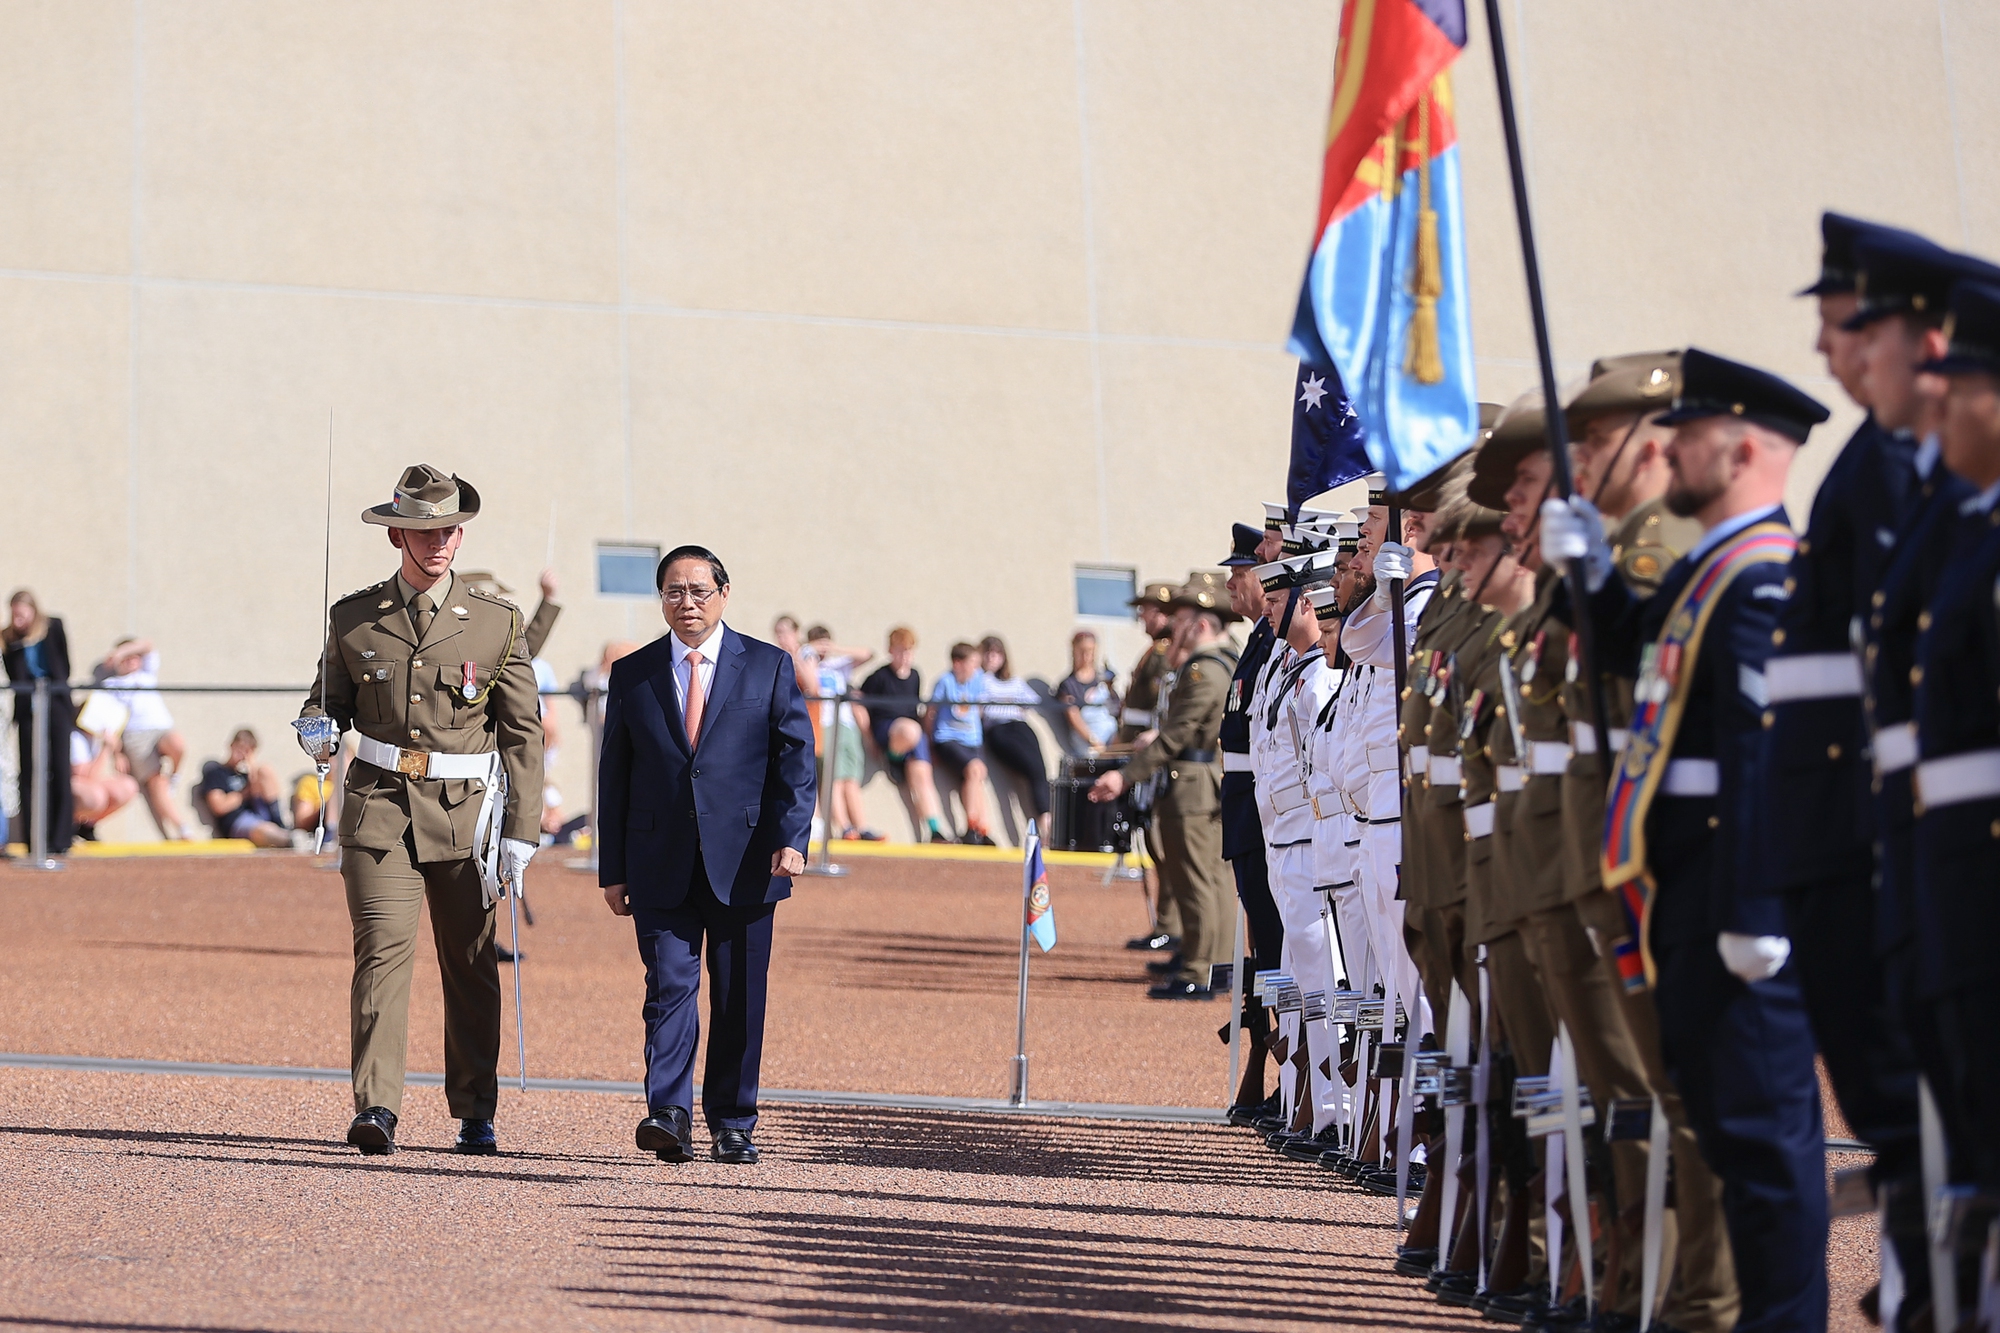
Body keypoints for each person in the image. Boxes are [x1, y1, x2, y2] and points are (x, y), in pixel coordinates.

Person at [1545, 348, 1833, 1333]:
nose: (1671, 447)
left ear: (1746, 448)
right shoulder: (1708, 568)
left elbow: (1761, 755)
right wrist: (1586, 571)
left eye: (1696, 434)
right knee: (1723, 1124)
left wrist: (1755, 909)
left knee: (1761, 1143)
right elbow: (1634, 646)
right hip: (1681, 883)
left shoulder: (1758, 579)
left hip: (1726, 890)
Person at [296, 463, 544, 1158]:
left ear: (460, 535)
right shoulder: (355, 617)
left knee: (469, 963)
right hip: (379, 807)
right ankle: (377, 1105)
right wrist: (316, 723)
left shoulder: (496, 622)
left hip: (465, 816)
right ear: (397, 533)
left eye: (449, 530)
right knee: (381, 953)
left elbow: (523, 731)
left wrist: (522, 832)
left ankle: (474, 1108)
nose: (438, 543)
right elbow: (327, 699)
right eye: (424, 530)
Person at [598, 544, 815, 1167]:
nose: (686, 603)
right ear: (661, 598)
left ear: (723, 593)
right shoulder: (633, 673)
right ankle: (668, 1113)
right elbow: (615, 776)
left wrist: (791, 838)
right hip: (658, 861)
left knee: (739, 998)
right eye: (673, 591)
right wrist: (613, 869)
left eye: (698, 591)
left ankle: (732, 1121)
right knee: (668, 987)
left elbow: (795, 761)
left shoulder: (768, 666)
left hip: (747, 862)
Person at [1089, 576, 1239, 999]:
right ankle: (1214, 964)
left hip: (1193, 784)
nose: (1178, 627)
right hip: (1197, 780)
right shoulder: (1213, 663)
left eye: (1186, 619)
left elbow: (1174, 737)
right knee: (1207, 880)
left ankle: (1200, 969)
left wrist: (1124, 776)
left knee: (1198, 883)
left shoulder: (1206, 670)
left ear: (1204, 623)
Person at [859, 627, 952, 843]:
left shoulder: (915, 675)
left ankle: (934, 829)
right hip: (889, 730)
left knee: (923, 775)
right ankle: (894, 757)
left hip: (912, 734)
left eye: (909, 651)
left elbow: (916, 709)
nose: (905, 657)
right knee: (910, 730)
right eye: (900, 651)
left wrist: (928, 744)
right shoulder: (879, 677)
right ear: (891, 651)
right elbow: (859, 701)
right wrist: (869, 738)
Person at [92, 637, 191, 840]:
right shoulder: (111, 684)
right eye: (125, 657)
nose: (130, 660)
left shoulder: (146, 674)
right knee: (156, 783)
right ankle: (179, 829)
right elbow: (110, 724)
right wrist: (118, 754)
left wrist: (123, 651)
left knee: (178, 744)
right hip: (136, 738)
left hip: (161, 730)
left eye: (133, 656)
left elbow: (148, 645)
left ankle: (175, 775)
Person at [2, 589, 75, 858]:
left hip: (55, 705)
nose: (18, 618)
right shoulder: (10, 638)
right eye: (14, 614)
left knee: (59, 768)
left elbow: (64, 666)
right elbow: (15, 676)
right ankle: (35, 839)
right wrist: (17, 643)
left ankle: (60, 838)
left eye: (22, 613)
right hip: (28, 709)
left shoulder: (53, 627)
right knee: (30, 772)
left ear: (33, 610)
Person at [804, 625, 879, 841]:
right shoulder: (808, 663)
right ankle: (844, 826)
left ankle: (860, 826)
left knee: (850, 776)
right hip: (825, 724)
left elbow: (868, 654)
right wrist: (810, 649)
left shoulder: (838, 665)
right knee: (833, 776)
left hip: (846, 724)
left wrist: (836, 648)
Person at [976, 635, 1051, 841]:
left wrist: (1010, 702)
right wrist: (1005, 703)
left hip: (1021, 728)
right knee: (1031, 768)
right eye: (988, 653)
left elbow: (1032, 702)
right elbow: (981, 707)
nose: (992, 658)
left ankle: (1047, 825)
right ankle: (1045, 826)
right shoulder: (980, 680)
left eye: (997, 653)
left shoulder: (1014, 681)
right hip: (999, 731)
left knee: (1039, 770)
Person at [929, 643, 995, 845]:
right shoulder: (945, 682)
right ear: (957, 663)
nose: (975, 668)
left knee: (976, 774)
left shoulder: (977, 681)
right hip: (949, 739)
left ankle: (979, 827)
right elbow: (931, 713)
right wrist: (930, 744)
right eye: (971, 664)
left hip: (972, 741)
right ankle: (973, 824)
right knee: (976, 769)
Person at [197, 729, 296, 849]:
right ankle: (288, 840)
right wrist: (243, 794)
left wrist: (252, 768)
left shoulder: (245, 775)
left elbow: (258, 793)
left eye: (247, 751)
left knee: (265, 770)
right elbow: (219, 806)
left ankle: (282, 825)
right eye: (240, 749)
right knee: (263, 829)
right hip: (237, 821)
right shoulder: (216, 772)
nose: (242, 754)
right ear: (231, 745)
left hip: (258, 814)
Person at [1055, 630, 1119, 755]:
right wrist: (1095, 742)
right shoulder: (1068, 685)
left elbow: (1116, 708)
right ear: (1074, 651)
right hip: (1088, 747)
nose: (1086, 656)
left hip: (1113, 740)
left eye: (1090, 651)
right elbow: (1073, 715)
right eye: (1081, 651)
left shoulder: (1104, 679)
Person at [71, 726, 140, 832]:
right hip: (72, 787)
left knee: (129, 786)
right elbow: (86, 777)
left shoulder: (96, 736)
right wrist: (106, 749)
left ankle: (86, 826)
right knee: (96, 797)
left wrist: (117, 754)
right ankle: (70, 824)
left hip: (88, 785)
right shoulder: (75, 737)